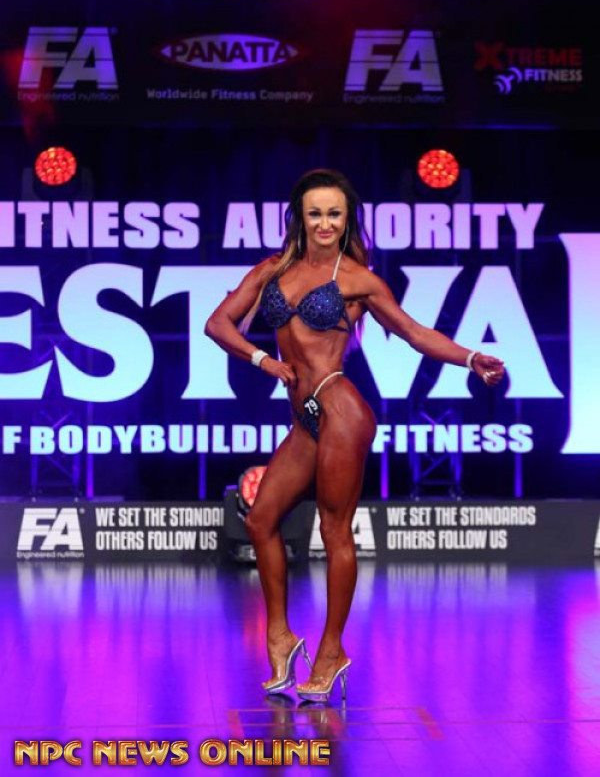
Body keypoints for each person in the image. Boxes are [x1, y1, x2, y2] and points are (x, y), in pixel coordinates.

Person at [205, 168, 504, 702]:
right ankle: (280, 636)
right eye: (315, 213)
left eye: (334, 214)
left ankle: (331, 651)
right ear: (300, 217)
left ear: (347, 221)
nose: (324, 223)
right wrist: (262, 360)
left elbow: (414, 333)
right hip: (305, 417)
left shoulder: (358, 280)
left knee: (334, 530)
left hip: (342, 411)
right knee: (261, 520)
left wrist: (470, 357)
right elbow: (217, 323)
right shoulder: (273, 270)